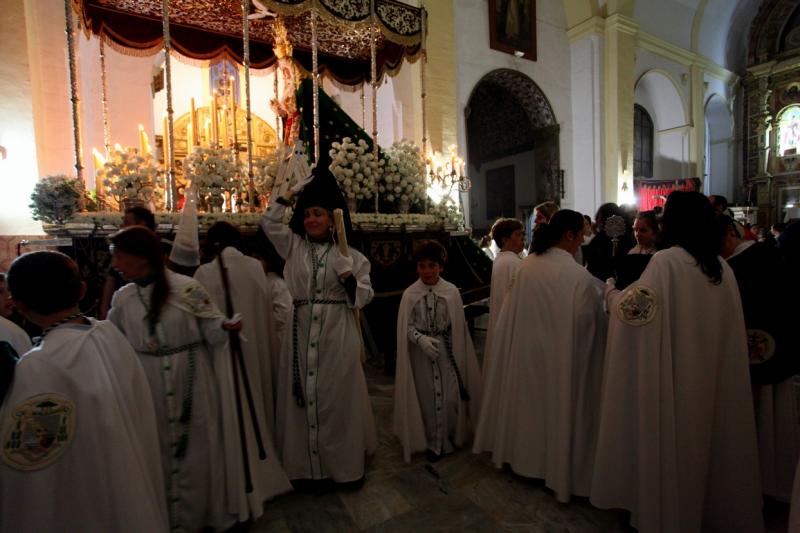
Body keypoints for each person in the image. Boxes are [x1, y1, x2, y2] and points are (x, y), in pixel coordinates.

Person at [590, 191, 763, 533]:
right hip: (712, 381)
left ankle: (670, 514)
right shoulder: (722, 268)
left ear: (674, 222)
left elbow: (634, 312)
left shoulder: (667, 262)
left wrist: (610, 293)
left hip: (677, 379)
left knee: (678, 451)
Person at [0, 251, 168, 532]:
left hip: (77, 501)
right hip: (126, 483)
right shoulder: (110, 335)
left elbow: (28, 461)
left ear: (18, 304)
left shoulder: (37, 365)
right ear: (81, 289)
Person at [107, 226, 243, 531]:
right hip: (147, 383)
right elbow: (114, 341)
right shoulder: (123, 298)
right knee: (153, 448)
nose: (114, 263)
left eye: (120, 256)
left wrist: (225, 327)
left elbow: (212, 329)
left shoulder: (188, 288)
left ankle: (201, 516)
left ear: (141, 258)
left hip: (191, 379)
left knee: (198, 448)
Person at [474, 210, 607, 503]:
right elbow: (588, 325)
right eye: (581, 234)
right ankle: (553, 467)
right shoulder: (576, 275)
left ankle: (524, 459)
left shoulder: (528, 265)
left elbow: (509, 312)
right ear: (569, 235)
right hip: (559, 355)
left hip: (525, 351)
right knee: (555, 408)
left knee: (529, 406)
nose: (583, 240)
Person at [260, 167, 376, 486]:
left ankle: (341, 467)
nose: (312, 220)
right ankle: (304, 468)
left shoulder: (350, 255)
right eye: (307, 214)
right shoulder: (293, 246)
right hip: (300, 331)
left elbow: (364, 296)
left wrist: (348, 278)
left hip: (337, 333)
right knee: (302, 397)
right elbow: (268, 222)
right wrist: (288, 195)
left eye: (319, 214)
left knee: (336, 398)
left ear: (331, 218)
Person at [193, 222, 292, 521]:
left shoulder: (202, 273)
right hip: (257, 349)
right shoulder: (254, 268)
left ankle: (237, 470)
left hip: (221, 353)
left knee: (231, 411)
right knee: (258, 398)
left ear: (211, 243)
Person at [720, 214, 797, 501]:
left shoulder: (733, 268)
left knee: (756, 419)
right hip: (779, 351)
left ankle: (757, 482)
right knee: (777, 419)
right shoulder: (771, 253)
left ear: (730, 234)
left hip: (752, 354)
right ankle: (778, 479)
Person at [394, 240, 482, 463]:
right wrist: (420, 339)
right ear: (417, 268)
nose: (427, 271)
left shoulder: (451, 291)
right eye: (422, 266)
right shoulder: (410, 294)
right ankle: (432, 441)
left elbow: (458, 327)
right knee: (426, 395)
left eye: (432, 266)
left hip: (445, 351)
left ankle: (448, 437)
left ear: (441, 266)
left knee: (450, 393)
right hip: (420, 353)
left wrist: (450, 348)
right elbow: (406, 326)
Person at [98, 205, 157, 319]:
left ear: (141, 224)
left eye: (126, 222)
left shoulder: (162, 248)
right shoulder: (122, 296)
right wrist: (104, 309)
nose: (121, 226)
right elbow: (111, 278)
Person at [485, 217, 524, 371]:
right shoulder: (512, 263)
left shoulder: (502, 260)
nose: (522, 238)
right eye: (517, 235)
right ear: (505, 239)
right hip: (510, 324)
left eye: (523, 234)